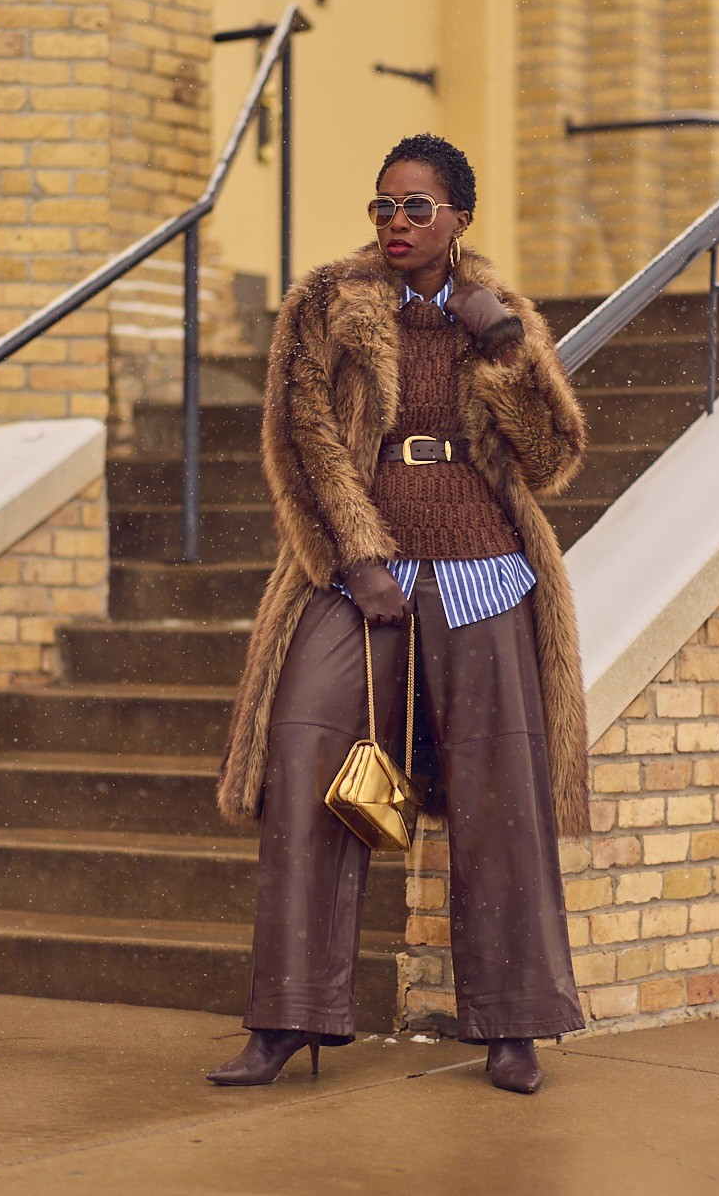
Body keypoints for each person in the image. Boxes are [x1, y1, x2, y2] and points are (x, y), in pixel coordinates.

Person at [209, 133, 590, 1095]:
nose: (396, 223)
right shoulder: (326, 304)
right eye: (384, 205)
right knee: (306, 763)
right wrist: (360, 554)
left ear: (460, 216)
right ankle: (288, 1017)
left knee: (502, 800)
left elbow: (549, 460)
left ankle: (514, 1027)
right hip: (357, 571)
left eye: (417, 207)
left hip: (484, 573)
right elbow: (303, 437)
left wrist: (503, 346)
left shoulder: (502, 317)